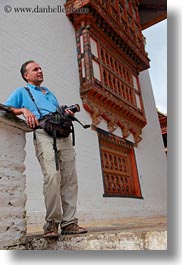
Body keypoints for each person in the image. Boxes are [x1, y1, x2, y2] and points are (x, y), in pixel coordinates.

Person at [5, 60, 87, 237]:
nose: (40, 71)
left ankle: (70, 223)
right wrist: (23, 111)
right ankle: (51, 224)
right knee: (52, 177)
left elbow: (55, 111)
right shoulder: (22, 91)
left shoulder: (49, 92)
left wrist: (66, 113)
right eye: (35, 69)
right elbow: (6, 107)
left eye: (41, 68)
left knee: (70, 179)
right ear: (26, 75)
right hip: (43, 134)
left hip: (63, 135)